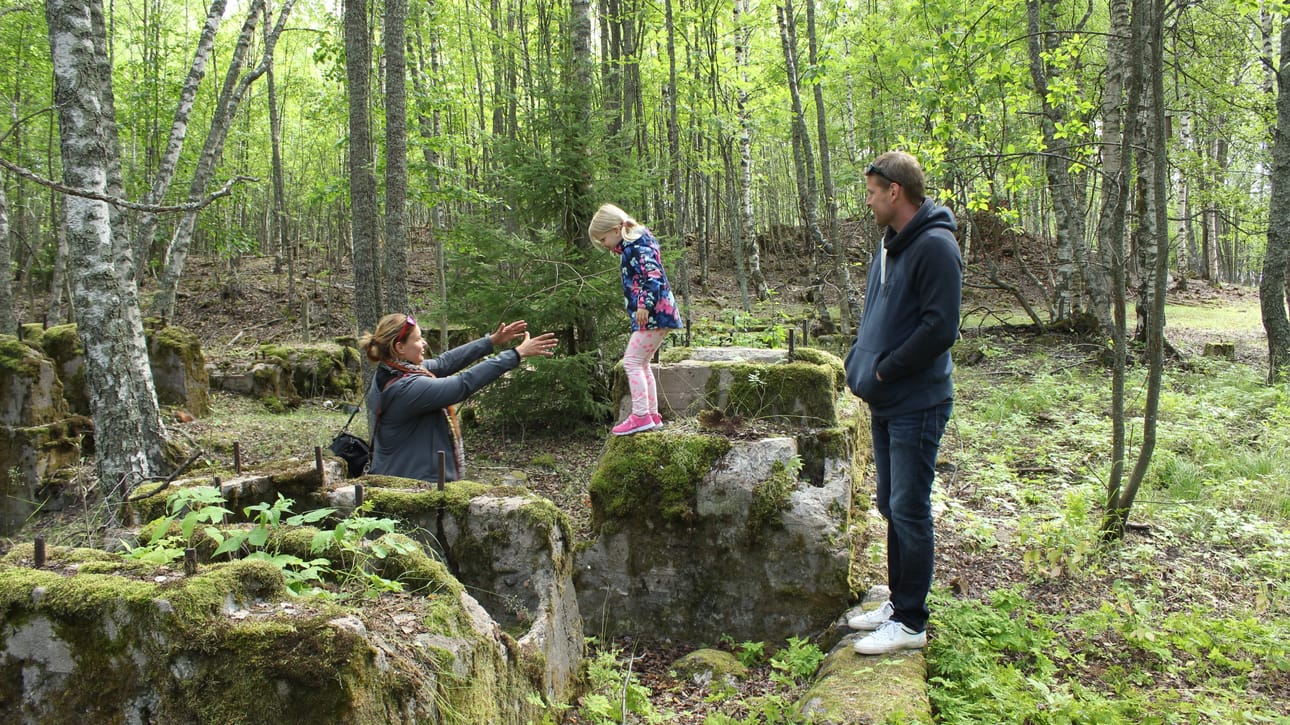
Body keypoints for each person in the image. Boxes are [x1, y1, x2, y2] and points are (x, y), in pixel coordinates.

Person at [843, 151, 962, 655]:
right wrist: (861, 358)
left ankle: (911, 622)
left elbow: (941, 327)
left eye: (872, 191)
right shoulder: (890, 245)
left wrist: (887, 368)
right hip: (887, 401)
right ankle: (897, 602)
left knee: (910, 509)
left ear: (895, 191)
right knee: (891, 504)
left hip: (917, 400)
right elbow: (879, 312)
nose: (867, 200)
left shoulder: (936, 246)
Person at [361, 313, 557, 482]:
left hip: (406, 475)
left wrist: (490, 341)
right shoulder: (405, 387)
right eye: (418, 339)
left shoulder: (393, 370)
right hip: (409, 483)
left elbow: (443, 363)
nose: (424, 343)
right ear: (400, 348)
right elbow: (461, 385)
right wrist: (517, 353)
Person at [588, 203, 684, 435]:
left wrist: (643, 305)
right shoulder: (634, 245)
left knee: (631, 362)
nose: (604, 245)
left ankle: (640, 416)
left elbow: (652, 275)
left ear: (615, 229)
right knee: (642, 363)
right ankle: (651, 414)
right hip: (658, 313)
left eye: (603, 239)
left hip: (654, 313)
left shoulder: (638, 245)